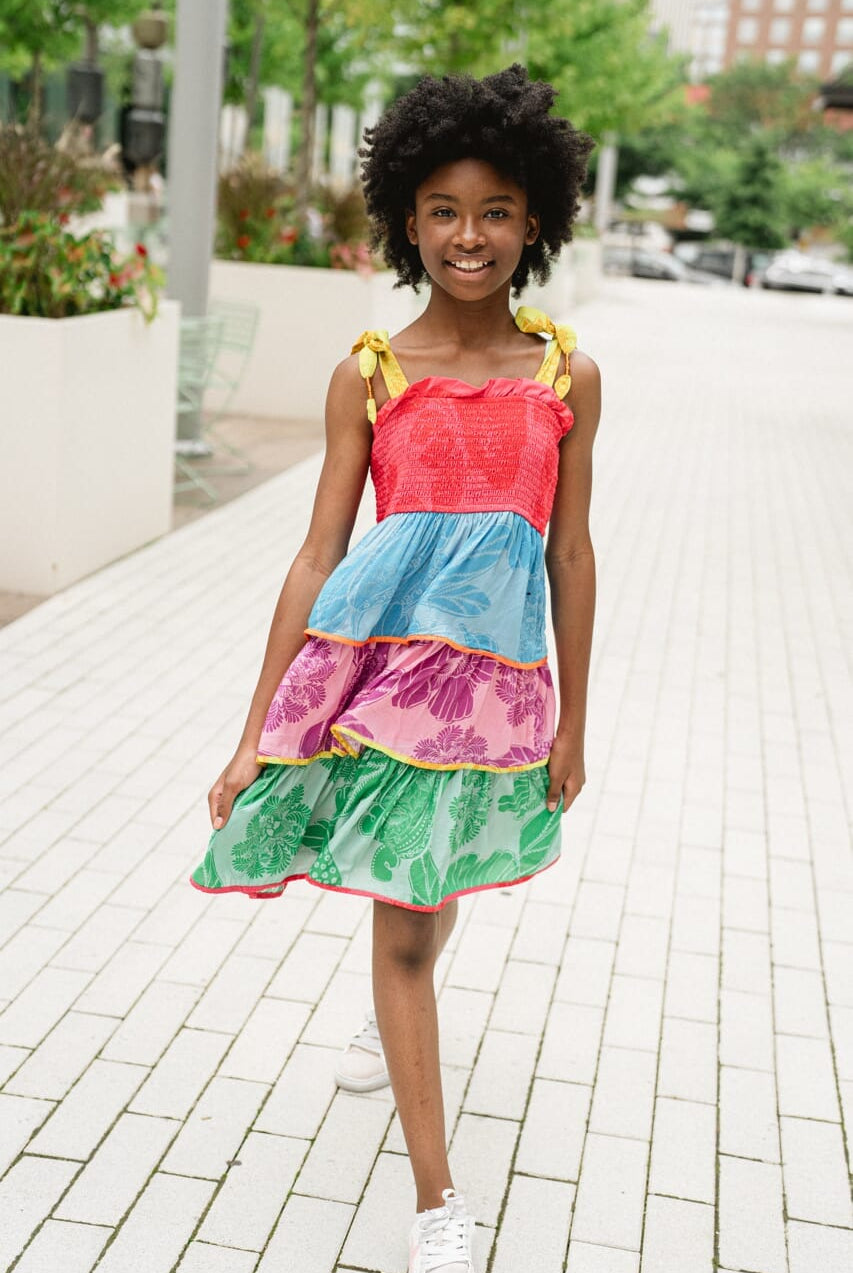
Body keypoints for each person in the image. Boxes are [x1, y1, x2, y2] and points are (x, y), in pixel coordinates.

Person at [189, 63, 599, 1273]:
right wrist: (254, 725)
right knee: (408, 931)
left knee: (438, 883)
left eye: (493, 211)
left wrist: (573, 721)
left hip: (495, 695)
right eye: (440, 209)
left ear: (534, 223)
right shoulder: (368, 374)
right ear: (404, 220)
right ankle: (437, 1201)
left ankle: (386, 1025)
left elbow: (569, 553)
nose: (466, 236)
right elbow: (320, 550)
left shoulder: (565, 375)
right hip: (377, 688)